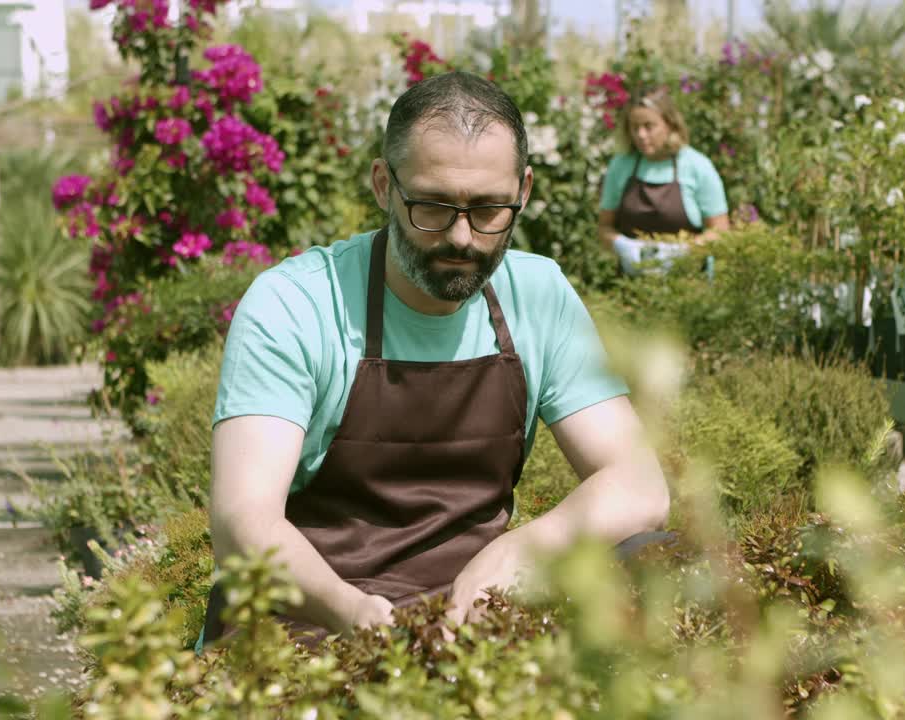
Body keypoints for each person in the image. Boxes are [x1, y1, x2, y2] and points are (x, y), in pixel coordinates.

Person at [200, 71, 671, 649]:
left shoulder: (539, 294)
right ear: (383, 185)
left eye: (490, 209)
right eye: (433, 207)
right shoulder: (295, 303)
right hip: (316, 620)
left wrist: (518, 550)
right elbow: (243, 524)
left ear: (523, 189)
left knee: (651, 563)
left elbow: (639, 484)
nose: (463, 238)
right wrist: (352, 612)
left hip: (474, 618)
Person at [596, 88, 730, 276]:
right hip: (631, 287)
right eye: (634, 127)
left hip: (689, 285)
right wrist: (621, 245)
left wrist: (685, 252)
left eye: (649, 126)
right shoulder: (621, 166)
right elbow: (604, 227)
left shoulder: (697, 166)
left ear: (670, 124)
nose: (641, 135)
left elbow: (720, 230)